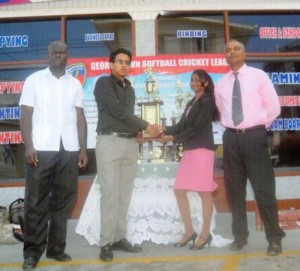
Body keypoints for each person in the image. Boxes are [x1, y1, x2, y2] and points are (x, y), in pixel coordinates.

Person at [19, 41, 88, 270]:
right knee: (36, 201)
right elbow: (25, 116)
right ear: (48, 55)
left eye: (62, 53)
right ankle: (32, 252)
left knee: (63, 201)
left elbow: (80, 118)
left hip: (68, 149)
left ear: (67, 56)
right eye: (55, 53)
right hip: (41, 148)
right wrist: (28, 146)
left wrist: (83, 149)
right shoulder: (34, 80)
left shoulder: (74, 84)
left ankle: (56, 248)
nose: (59, 56)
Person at [215, 39, 285, 256]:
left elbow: (274, 107)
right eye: (228, 50)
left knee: (264, 190)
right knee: (235, 192)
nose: (232, 52)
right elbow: (220, 110)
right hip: (231, 140)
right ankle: (240, 236)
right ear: (225, 56)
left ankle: (274, 239)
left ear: (244, 54)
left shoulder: (258, 76)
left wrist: (257, 127)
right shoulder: (221, 84)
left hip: (255, 137)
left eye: (237, 49)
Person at [93, 48, 161, 262]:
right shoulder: (103, 83)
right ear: (111, 64)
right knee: (110, 193)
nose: (124, 65)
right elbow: (116, 111)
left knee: (124, 194)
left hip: (129, 144)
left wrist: (137, 131)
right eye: (119, 61)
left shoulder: (130, 88)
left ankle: (119, 238)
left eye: (127, 62)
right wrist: (147, 126)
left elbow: (128, 116)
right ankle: (105, 242)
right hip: (109, 142)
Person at [156, 69, 219, 250]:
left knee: (204, 192)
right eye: (191, 79)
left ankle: (205, 234)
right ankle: (189, 231)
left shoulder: (207, 101)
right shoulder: (192, 102)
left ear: (205, 83)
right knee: (179, 190)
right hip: (191, 150)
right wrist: (164, 129)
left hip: (202, 150)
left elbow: (197, 129)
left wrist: (172, 139)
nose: (192, 82)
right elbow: (182, 126)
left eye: (197, 80)